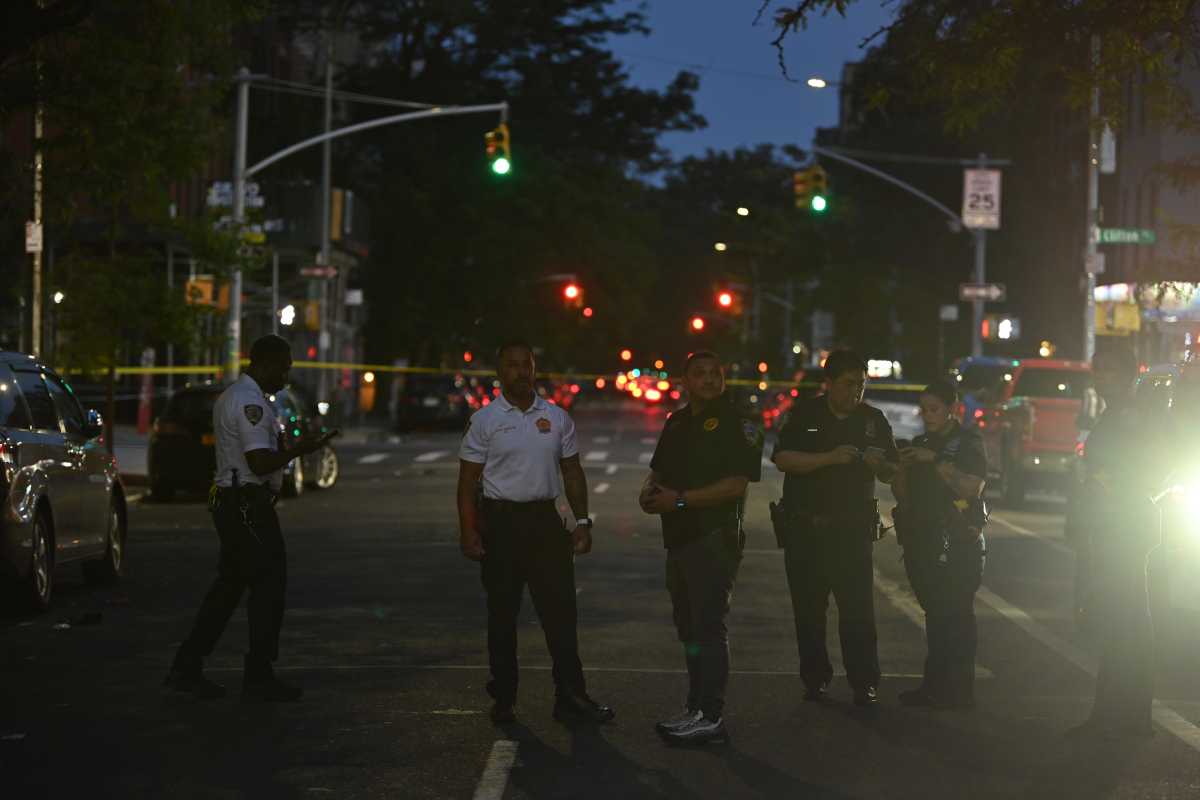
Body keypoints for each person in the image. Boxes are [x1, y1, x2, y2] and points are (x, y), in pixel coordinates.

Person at [164, 334, 337, 701]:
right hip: (244, 504)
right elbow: (259, 461)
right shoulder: (249, 402)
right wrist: (298, 451)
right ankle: (257, 673)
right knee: (269, 583)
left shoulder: (240, 396)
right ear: (267, 363)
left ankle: (188, 665)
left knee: (229, 588)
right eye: (285, 368)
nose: (286, 377)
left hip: (235, 501)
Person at [457, 340, 612, 725]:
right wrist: (468, 530)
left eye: (526, 365)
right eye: (511, 366)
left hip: (546, 524)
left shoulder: (557, 418)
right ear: (499, 373)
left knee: (560, 615)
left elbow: (572, 473)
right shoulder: (485, 421)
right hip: (501, 524)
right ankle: (504, 696)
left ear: (534, 369)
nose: (520, 372)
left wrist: (583, 521)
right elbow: (466, 483)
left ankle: (571, 696)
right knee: (503, 615)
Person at [640, 350, 763, 744]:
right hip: (678, 538)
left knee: (709, 627)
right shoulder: (677, 421)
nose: (709, 380)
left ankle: (711, 714)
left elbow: (735, 485)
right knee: (689, 627)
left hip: (714, 537)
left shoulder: (738, 421)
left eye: (716, 373)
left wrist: (677, 500)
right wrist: (649, 491)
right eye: (700, 374)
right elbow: (658, 470)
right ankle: (695, 707)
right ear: (685, 380)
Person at [771, 349, 897, 707]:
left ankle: (864, 681)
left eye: (861, 384)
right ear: (829, 384)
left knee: (858, 612)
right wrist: (829, 458)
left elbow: (890, 470)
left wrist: (880, 465)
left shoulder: (873, 420)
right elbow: (782, 458)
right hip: (805, 529)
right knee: (809, 611)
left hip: (852, 532)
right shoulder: (804, 414)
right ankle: (815, 677)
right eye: (848, 384)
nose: (856, 391)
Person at [1069, 344, 1173, 739]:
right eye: (1097, 372)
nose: (1100, 379)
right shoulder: (1113, 414)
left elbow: (1159, 467)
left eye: (1109, 372)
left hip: (1127, 524)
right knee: (1116, 619)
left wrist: (1117, 486)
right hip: (1109, 523)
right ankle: (1115, 713)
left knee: (1127, 619)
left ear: (1128, 375)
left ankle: (1125, 716)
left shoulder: (1136, 415)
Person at [892, 379, 987, 709]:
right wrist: (900, 470)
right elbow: (903, 495)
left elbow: (971, 488)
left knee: (957, 616)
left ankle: (961, 692)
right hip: (924, 540)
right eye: (923, 409)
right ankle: (934, 687)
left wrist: (933, 460)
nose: (927, 415)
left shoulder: (967, 443)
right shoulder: (920, 442)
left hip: (958, 540)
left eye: (934, 409)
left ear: (952, 409)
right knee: (935, 616)